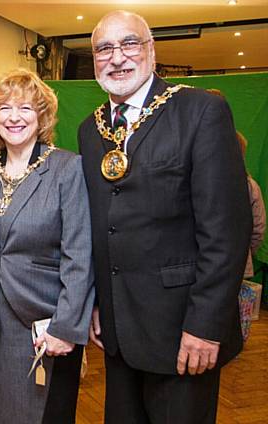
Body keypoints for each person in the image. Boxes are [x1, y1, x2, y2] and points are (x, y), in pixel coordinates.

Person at [77, 10, 252, 423]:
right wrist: (98, 303)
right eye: (104, 49)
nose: (116, 57)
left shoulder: (199, 111)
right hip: (118, 332)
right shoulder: (91, 128)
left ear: (151, 51)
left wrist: (206, 325)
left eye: (129, 44)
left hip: (182, 332)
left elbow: (226, 230)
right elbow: (101, 224)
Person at [0, 68, 94, 424]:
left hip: (44, 325)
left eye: (26, 108)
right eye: (5, 108)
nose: (14, 117)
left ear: (41, 116)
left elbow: (79, 255)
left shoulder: (67, 169)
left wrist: (66, 327)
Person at [236, 131, 266, 278]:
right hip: (239, 265)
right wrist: (245, 252)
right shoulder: (250, 186)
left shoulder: (199, 183)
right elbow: (258, 229)